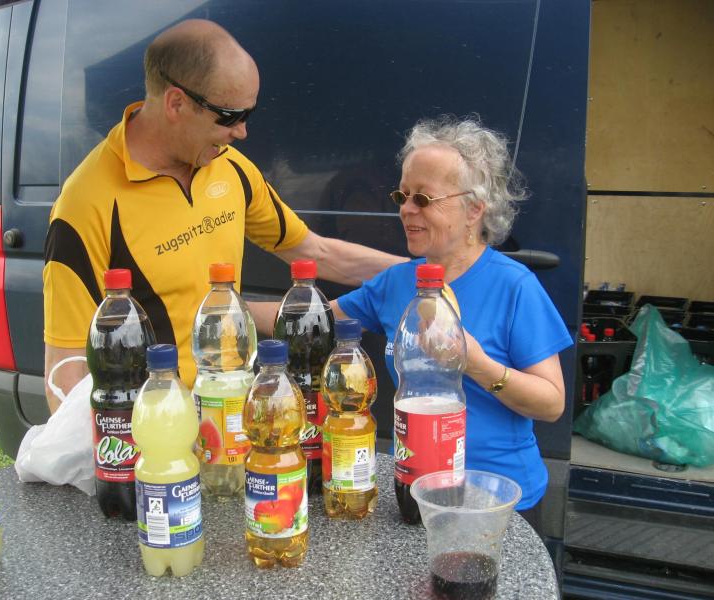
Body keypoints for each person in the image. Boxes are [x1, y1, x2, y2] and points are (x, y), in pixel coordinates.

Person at [42, 19, 404, 412]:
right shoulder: (86, 203)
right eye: (230, 116)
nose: (243, 132)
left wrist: (424, 275)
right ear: (176, 103)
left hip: (233, 412)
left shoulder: (230, 167)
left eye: (249, 113)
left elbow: (315, 252)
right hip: (158, 430)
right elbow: (64, 374)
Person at [332, 115, 573, 524]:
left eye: (423, 199)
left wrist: (477, 364)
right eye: (403, 195)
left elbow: (551, 404)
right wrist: (229, 303)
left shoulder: (514, 286)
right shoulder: (397, 282)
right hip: (416, 487)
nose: (406, 209)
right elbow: (313, 318)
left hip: (496, 499)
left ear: (474, 209)